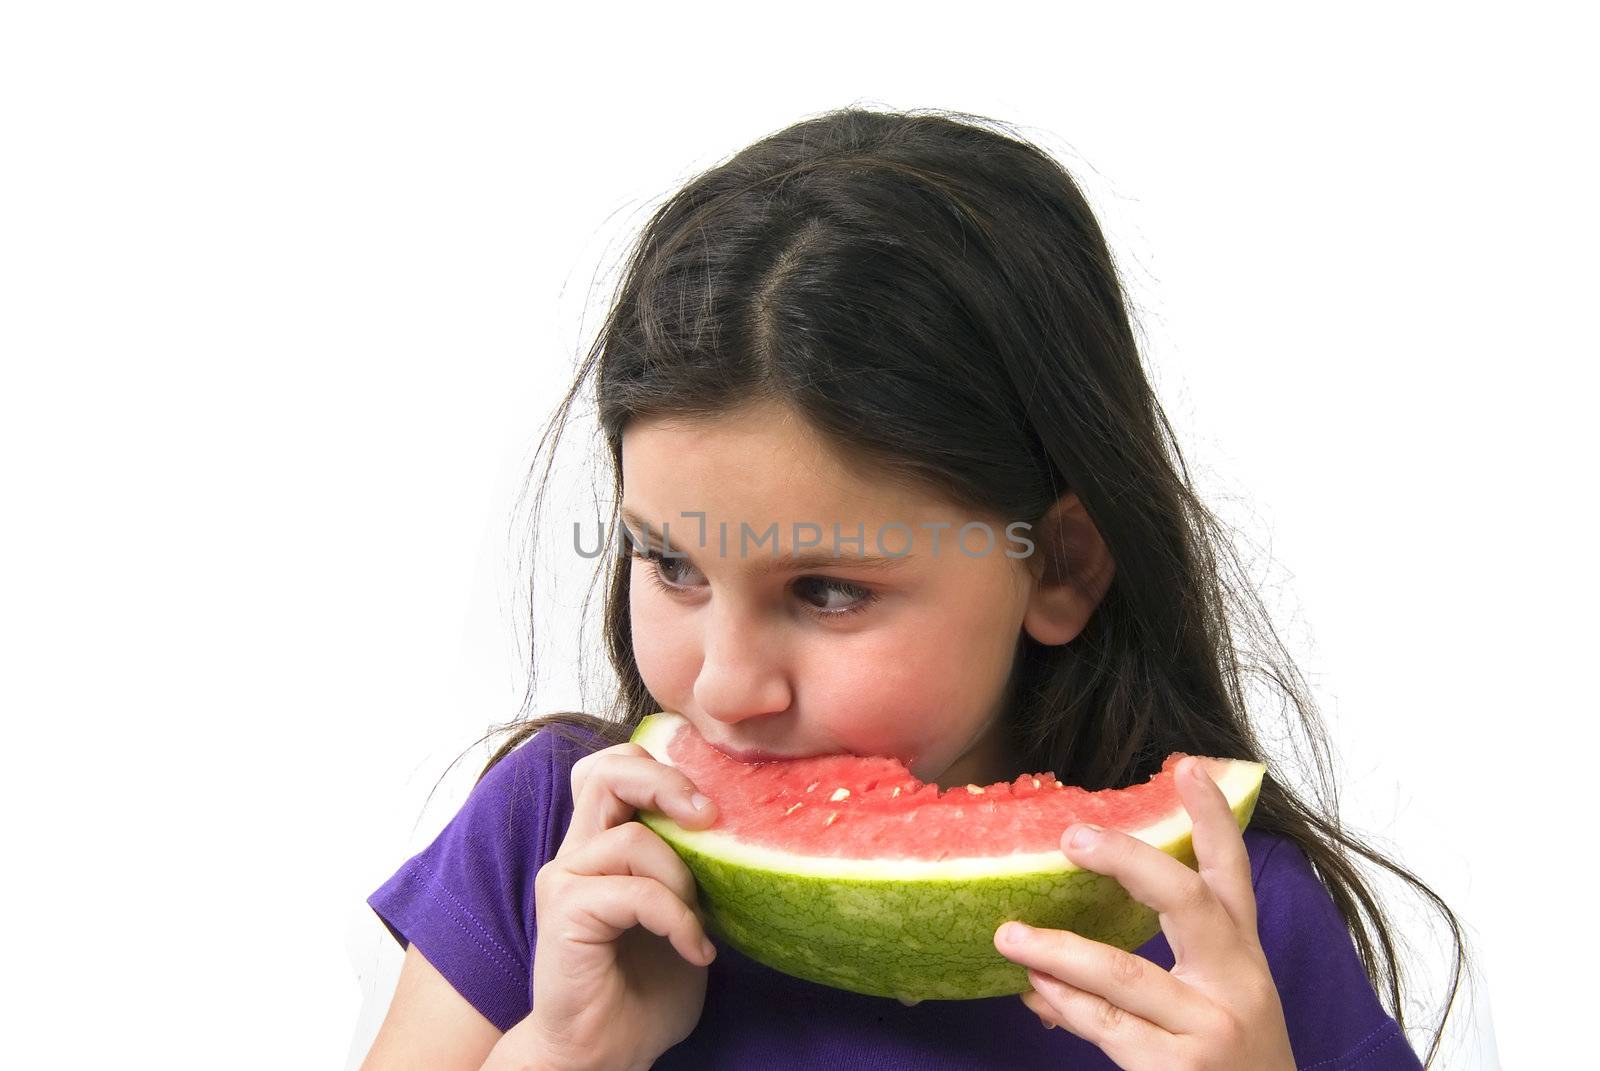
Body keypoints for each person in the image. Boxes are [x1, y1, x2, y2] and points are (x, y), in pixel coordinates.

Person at [359, 106, 1469, 1070]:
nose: (728, 686)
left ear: (1061, 566)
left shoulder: (1230, 922)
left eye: (829, 592)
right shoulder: (553, 839)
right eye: (673, 564)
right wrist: (566, 1053)